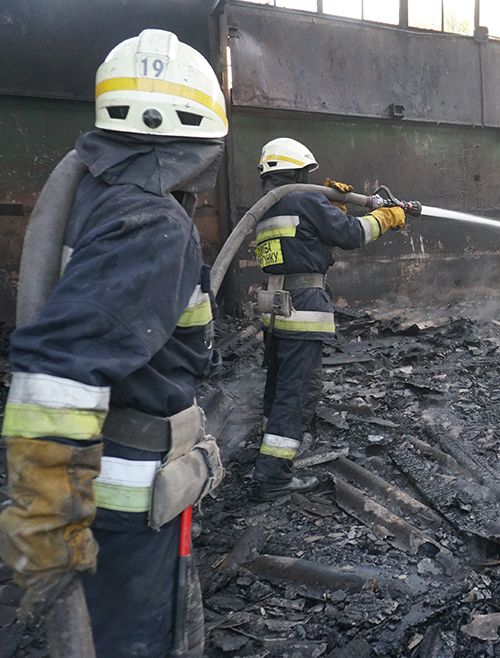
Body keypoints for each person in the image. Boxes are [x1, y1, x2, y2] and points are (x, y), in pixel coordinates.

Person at [0, 29, 226, 656]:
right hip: (125, 491)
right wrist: (46, 514)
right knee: (139, 640)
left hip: (108, 483)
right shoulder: (152, 221)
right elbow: (62, 366)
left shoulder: (97, 192)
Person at [253, 137, 405, 500]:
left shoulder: (267, 207)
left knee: (279, 384)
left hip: (276, 307)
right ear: (298, 171)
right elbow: (352, 234)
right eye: (306, 172)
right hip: (303, 306)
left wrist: (331, 208)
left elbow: (302, 242)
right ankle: (273, 476)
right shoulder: (305, 199)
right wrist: (385, 217)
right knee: (298, 390)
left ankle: (270, 449)